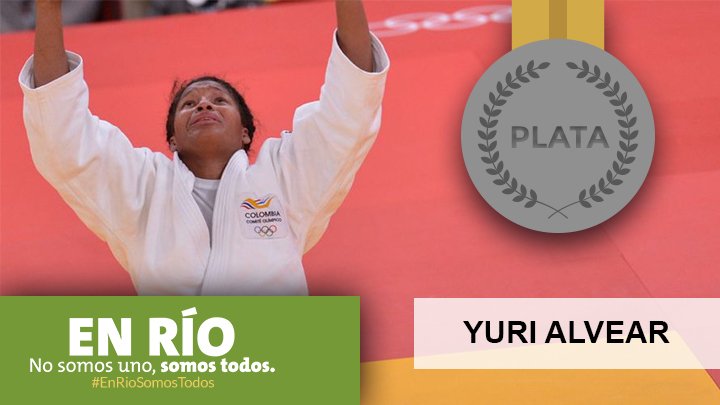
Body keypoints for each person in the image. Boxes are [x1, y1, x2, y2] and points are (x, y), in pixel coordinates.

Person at [20, 0, 389, 295]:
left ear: (245, 134)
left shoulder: (283, 179)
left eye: (219, 101)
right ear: (173, 140)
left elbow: (349, 110)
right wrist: (48, 7)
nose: (203, 105)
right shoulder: (143, 190)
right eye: (189, 104)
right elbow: (63, 133)